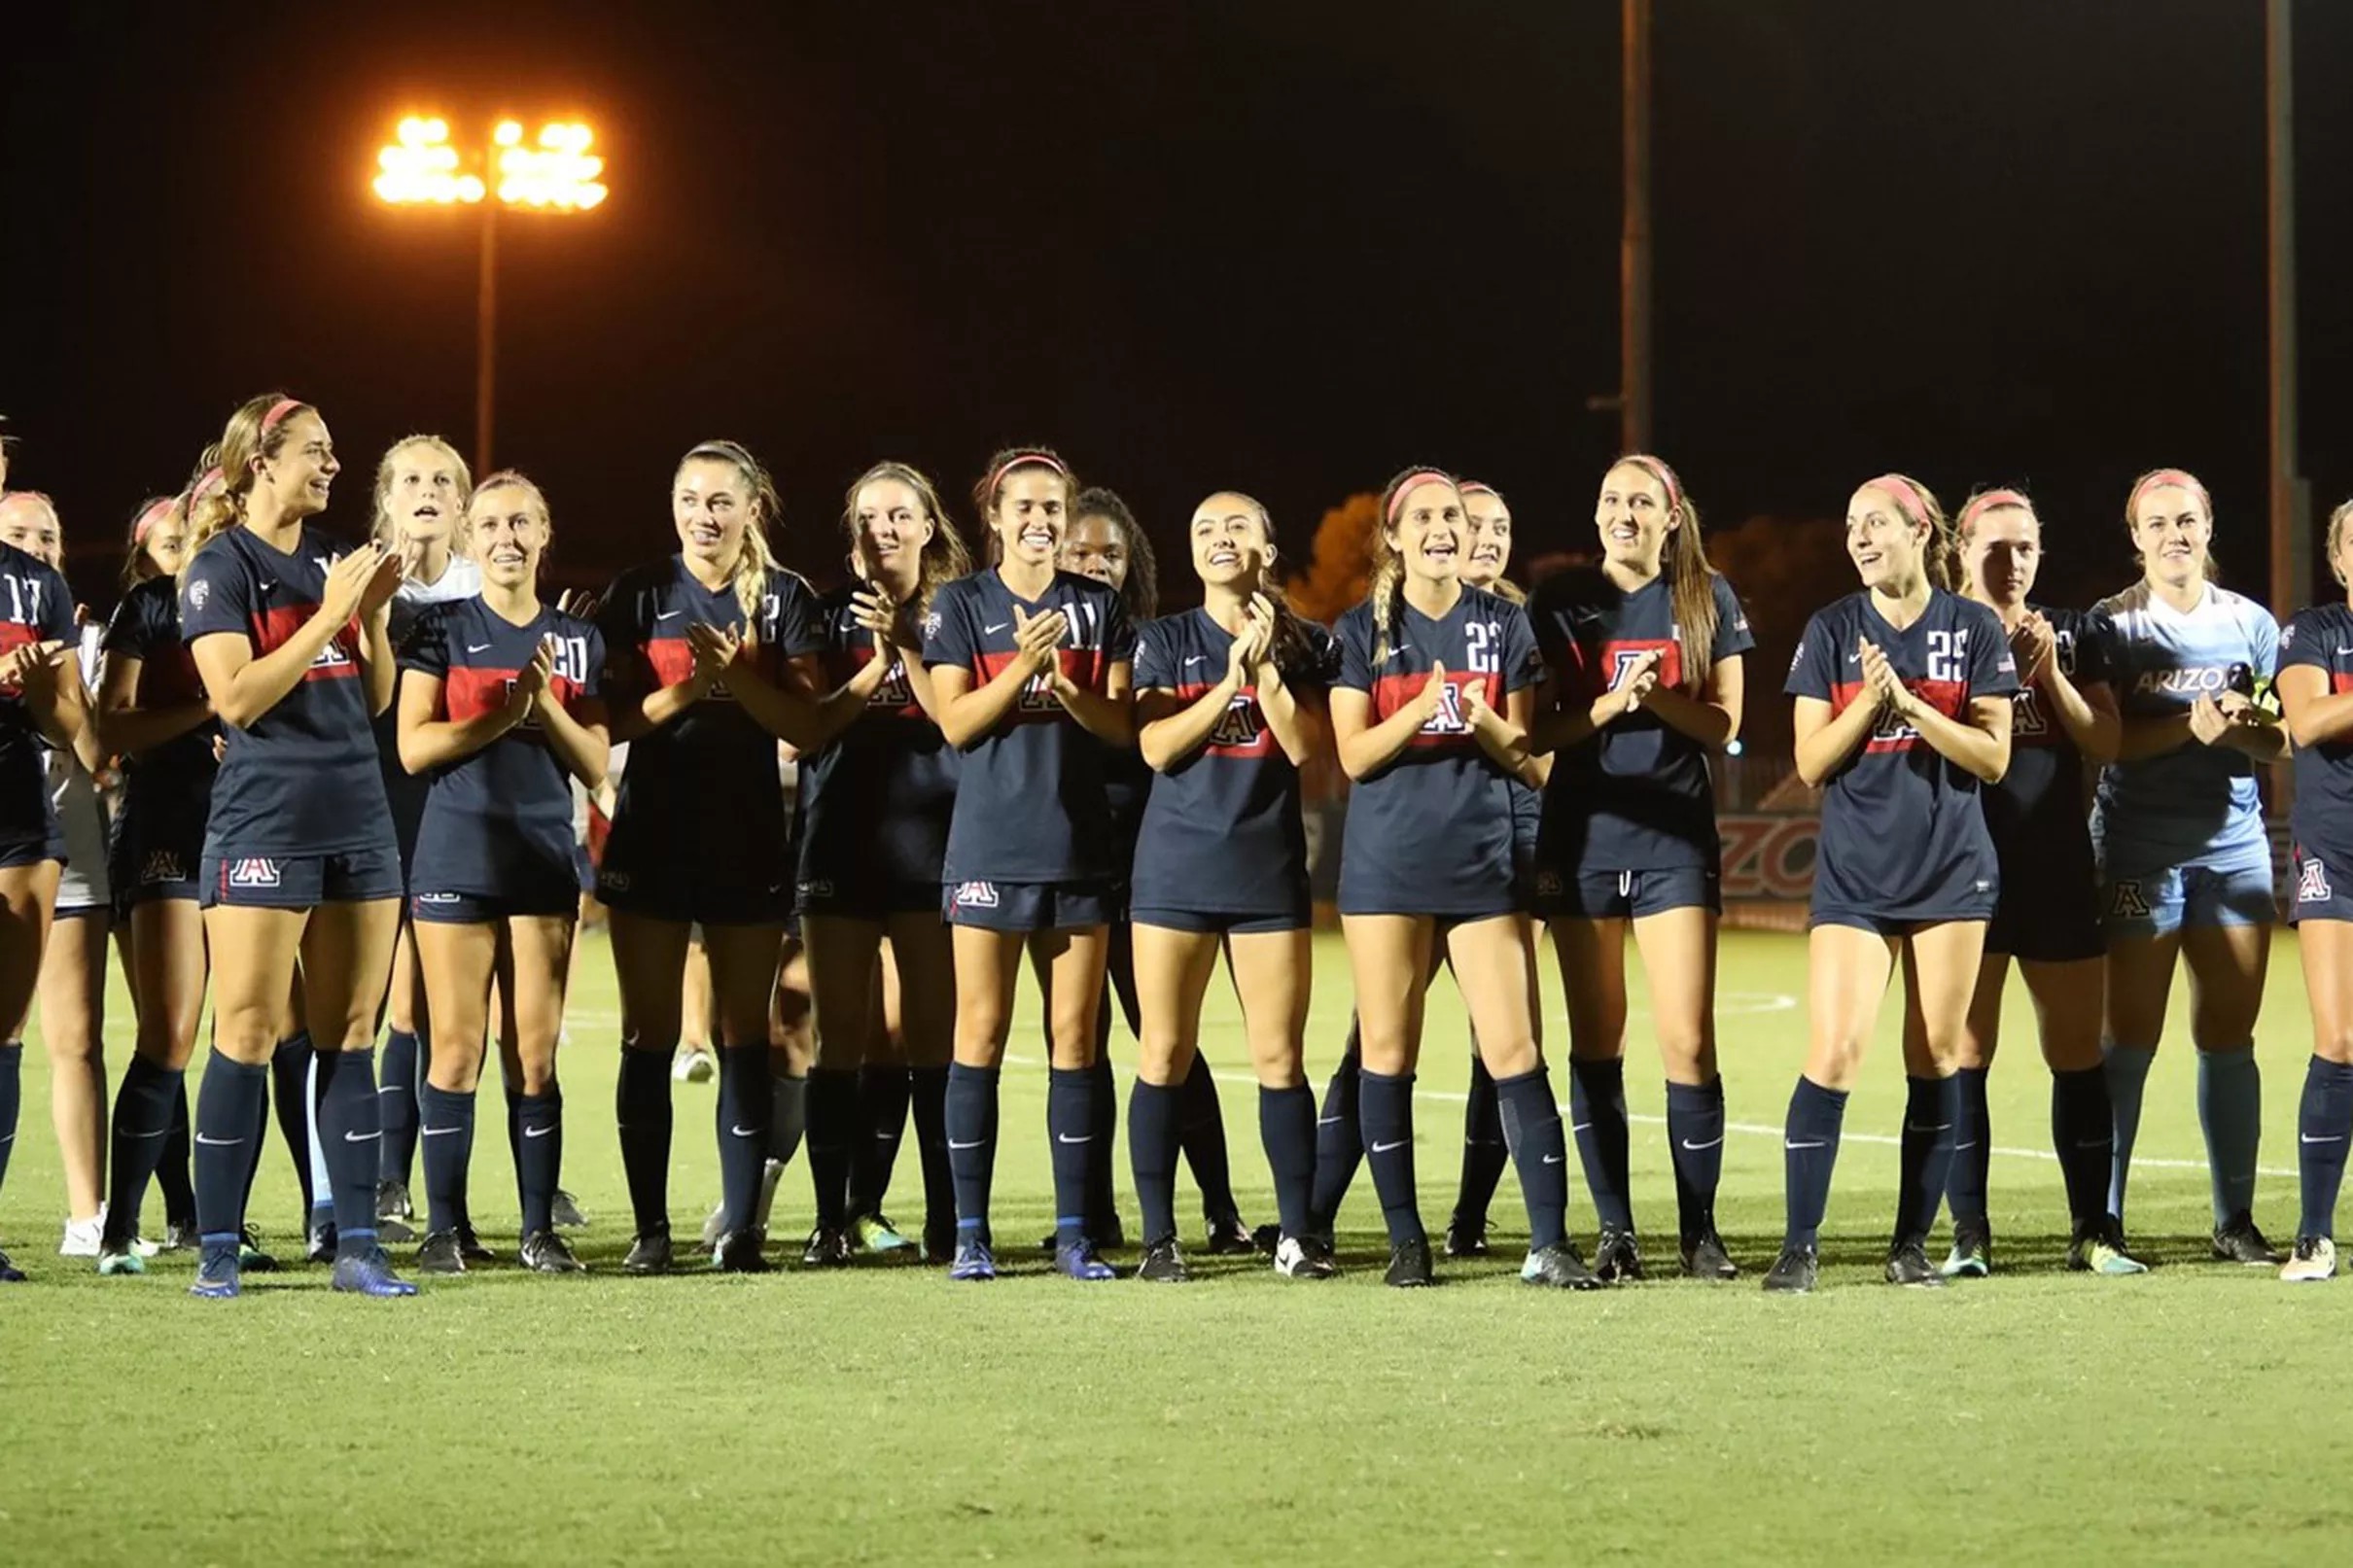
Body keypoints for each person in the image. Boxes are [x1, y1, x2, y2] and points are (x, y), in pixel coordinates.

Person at [1330, 467, 1590, 1289]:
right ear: (1396, 537)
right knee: (1387, 1051)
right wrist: (1416, 710)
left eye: (1454, 516)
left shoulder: (1505, 624)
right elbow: (1354, 755)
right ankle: (1407, 1242)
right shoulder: (1358, 631)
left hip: (1483, 867)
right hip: (1386, 869)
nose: (1445, 528)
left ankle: (1548, 1241)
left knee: (1515, 1048)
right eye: (1428, 518)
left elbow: (1531, 756)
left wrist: (1483, 722)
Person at [177, 393, 413, 1300]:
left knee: (350, 1036)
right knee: (242, 1034)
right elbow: (234, 698)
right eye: (315, 451)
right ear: (262, 461)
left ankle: (356, 1245)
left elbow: (379, 699)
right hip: (265, 823)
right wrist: (329, 613)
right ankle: (221, 1250)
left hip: (357, 816)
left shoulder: (329, 561)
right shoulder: (219, 565)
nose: (332, 465)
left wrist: (375, 617)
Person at [1770, 474, 2016, 1295]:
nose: (1860, 537)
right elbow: (1809, 762)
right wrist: (1870, 706)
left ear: (1920, 531)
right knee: (1835, 1051)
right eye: (1851, 526)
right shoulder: (1832, 629)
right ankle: (1798, 1247)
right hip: (1857, 876)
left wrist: (1912, 706)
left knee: (1936, 1055)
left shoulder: (1974, 626)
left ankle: (1909, 1245)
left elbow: (1992, 756)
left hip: (1951, 869)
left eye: (1877, 522)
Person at [595, 439, 826, 1273]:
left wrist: (737, 677)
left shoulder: (785, 599)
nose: (705, 514)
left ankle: (741, 1234)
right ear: (673, 507)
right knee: (648, 1035)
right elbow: (606, 723)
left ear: (751, 509)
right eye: (690, 499)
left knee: (742, 1036)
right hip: (653, 832)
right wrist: (691, 688)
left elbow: (806, 727)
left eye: (721, 500)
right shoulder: (638, 593)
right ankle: (650, 1232)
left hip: (748, 835)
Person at [1527, 456, 1751, 1281]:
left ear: (1671, 516)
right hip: (1582, 839)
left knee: (1689, 1041)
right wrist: (1605, 705)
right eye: (1612, 499)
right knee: (1598, 1041)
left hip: (1673, 842)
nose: (1625, 513)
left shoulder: (1705, 596)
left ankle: (1701, 1232)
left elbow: (1726, 722)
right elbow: (1535, 734)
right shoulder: (1558, 601)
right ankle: (1616, 1230)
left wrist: (1653, 698)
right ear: (1596, 515)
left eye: (1641, 502)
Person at [923, 448, 1133, 1283]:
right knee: (979, 1032)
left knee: (1075, 1039)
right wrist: (1020, 667)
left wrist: (1066, 684)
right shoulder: (962, 604)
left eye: (1055, 508)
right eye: (1026, 507)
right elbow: (956, 723)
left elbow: (1119, 728)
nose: (1042, 521)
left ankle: (1075, 1233)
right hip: (990, 846)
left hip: (1079, 848)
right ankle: (972, 1233)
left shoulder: (1099, 606)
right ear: (996, 517)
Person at [399, 470, 607, 1274]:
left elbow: (594, 762)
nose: (505, 538)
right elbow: (415, 747)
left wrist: (545, 705)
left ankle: (537, 1231)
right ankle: (446, 1229)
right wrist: (503, 712)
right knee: (453, 1050)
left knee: (536, 1055)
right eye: (489, 525)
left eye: (521, 523)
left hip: (542, 860)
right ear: (468, 537)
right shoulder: (439, 628)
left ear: (544, 533)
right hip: (455, 854)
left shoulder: (577, 639)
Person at [1128, 491, 1336, 1281]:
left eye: (1237, 526)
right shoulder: (1163, 640)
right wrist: (1226, 683)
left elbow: (1303, 745)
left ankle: (1296, 1234)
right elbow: (1154, 747)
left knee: (1279, 1055)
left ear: (1267, 549)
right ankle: (1159, 1239)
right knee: (1163, 1051)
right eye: (1205, 529)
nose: (1220, 538)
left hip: (1267, 872)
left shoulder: (1306, 643)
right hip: (1174, 869)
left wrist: (1267, 671)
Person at [1944, 488, 2141, 1275]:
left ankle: (2094, 1230)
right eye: (1995, 546)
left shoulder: (2072, 629)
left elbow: (2108, 741)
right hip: (1962, 867)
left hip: (2055, 864)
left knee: (2075, 1050)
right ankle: (1969, 1234)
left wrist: (2050, 675)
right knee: (1966, 1049)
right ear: (1961, 549)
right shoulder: (1939, 629)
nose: (2012, 561)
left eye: (2025, 546)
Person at [2093, 468, 2285, 1263]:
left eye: (2188, 519)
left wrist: (2242, 730)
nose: (2175, 534)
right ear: (2135, 538)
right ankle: (2100, 1218)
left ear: (2210, 527)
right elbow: (2106, 741)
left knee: (2229, 1034)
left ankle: (2233, 1221)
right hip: (2140, 850)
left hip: (2235, 851)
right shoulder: (2111, 625)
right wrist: (2188, 728)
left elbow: (2277, 739)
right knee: (2129, 1036)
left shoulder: (2252, 623)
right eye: (2158, 522)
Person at [1063, 488, 1253, 1253]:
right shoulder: (1032, 643)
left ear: (1133, 564)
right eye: (1081, 552)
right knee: (1082, 1040)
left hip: (1152, 867)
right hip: (1069, 861)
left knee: (1165, 1039)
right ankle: (1095, 1213)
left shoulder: (1148, 644)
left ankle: (1217, 1204)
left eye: (1111, 553)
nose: (1095, 564)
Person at [793, 462, 966, 1265]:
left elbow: (960, 725)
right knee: (842, 1039)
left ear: (929, 527)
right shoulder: (820, 616)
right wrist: (871, 664)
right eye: (869, 517)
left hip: (934, 846)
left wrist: (908, 646)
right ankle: (834, 1221)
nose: (884, 529)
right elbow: (805, 731)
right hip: (840, 841)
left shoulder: (963, 615)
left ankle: (946, 1222)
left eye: (901, 515)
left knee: (932, 1040)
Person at [0, 493, 121, 1260]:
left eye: (49, 534)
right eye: (19, 532)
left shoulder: (49, 601)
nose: (36, 546)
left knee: (25, 1033)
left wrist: (46, 694)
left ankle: (82, 1218)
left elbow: (85, 739)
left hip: (38, 819)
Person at [368, 435, 481, 1239]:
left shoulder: (487, 587)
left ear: (463, 502)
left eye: (444, 479)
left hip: (458, 800)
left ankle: (436, 1183)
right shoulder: (363, 580)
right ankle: (381, 1179)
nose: (427, 490)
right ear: (387, 497)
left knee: (457, 1008)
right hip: (375, 795)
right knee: (389, 1003)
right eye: (411, 479)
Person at [93, 489, 206, 1269]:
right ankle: (120, 1229)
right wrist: (210, 708)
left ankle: (200, 1220)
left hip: (251, 828)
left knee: (246, 1034)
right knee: (166, 1033)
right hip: (163, 829)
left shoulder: (262, 601)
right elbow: (114, 725)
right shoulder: (151, 607)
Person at [2275, 499, 2353, 1281]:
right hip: (2337, 850)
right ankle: (2315, 1234)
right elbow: (2307, 720)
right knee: (2340, 1039)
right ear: (2340, 560)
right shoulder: (2316, 632)